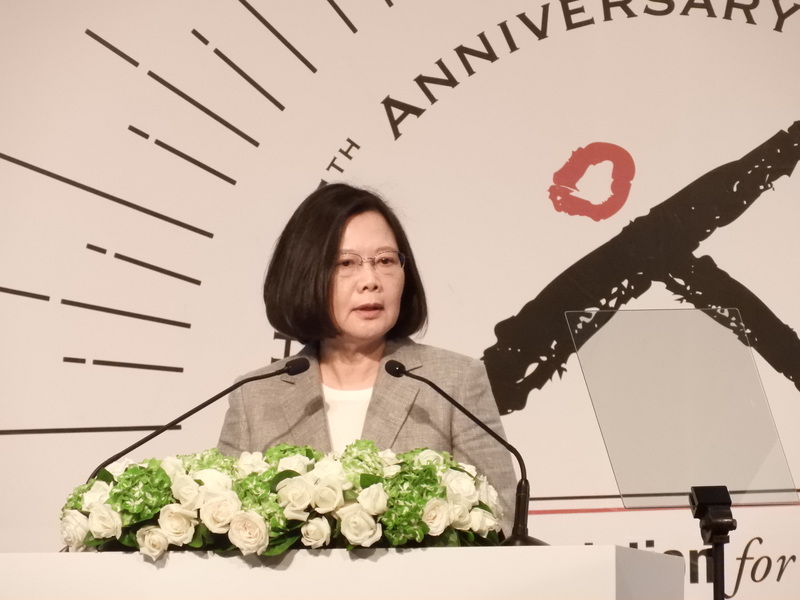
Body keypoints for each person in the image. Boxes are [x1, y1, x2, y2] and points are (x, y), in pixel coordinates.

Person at [217, 183, 517, 533]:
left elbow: (501, 520)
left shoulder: (455, 381)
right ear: (305, 273)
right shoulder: (255, 396)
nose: (371, 280)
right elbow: (223, 532)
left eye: (386, 260)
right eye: (346, 263)